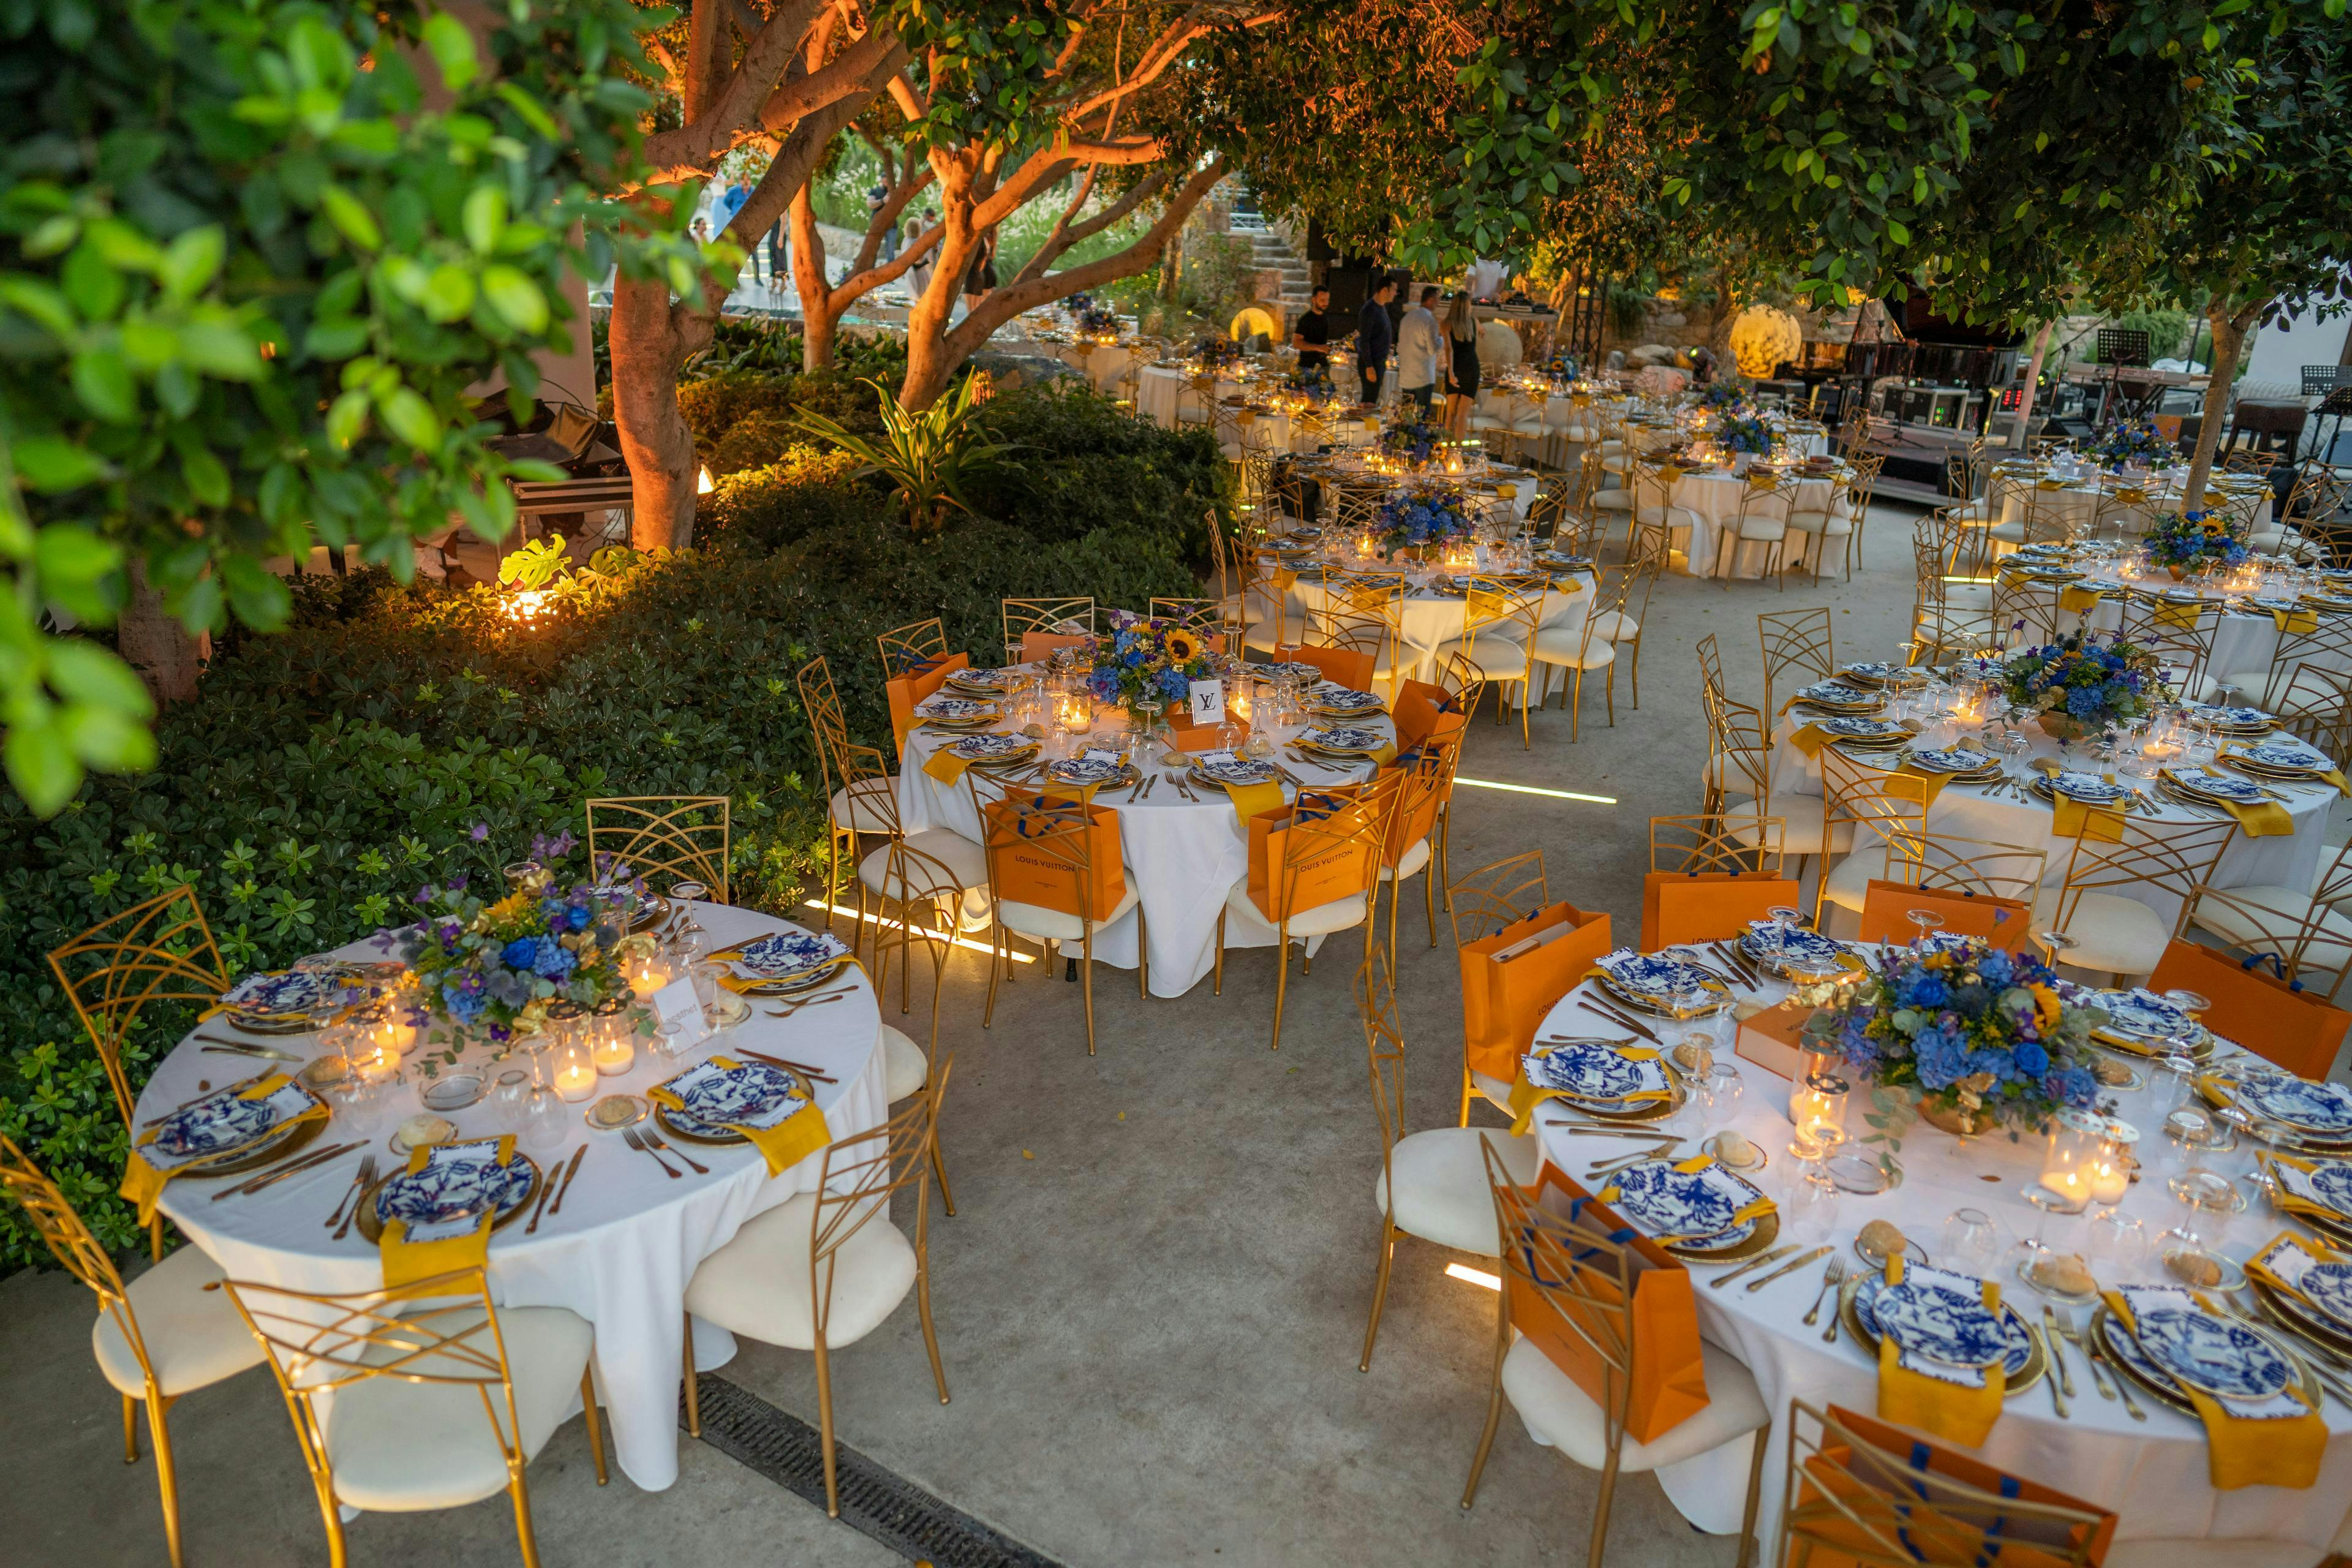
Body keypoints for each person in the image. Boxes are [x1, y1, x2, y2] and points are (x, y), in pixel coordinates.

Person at [1396, 285, 1443, 417]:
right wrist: (1442, 339)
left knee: (1406, 415)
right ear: (1430, 300)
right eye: (1437, 299)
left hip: (1406, 374)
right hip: (1423, 376)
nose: (1438, 303)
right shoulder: (1429, 320)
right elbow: (1433, 349)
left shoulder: (1407, 318)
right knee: (1422, 416)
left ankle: (1402, 437)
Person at [1442, 289, 1480, 435]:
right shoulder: (1473, 322)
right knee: (1463, 415)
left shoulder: (1447, 324)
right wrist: (1482, 332)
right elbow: (1483, 330)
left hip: (1456, 367)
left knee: (1450, 414)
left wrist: (1451, 372)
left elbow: (1448, 349)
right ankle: (1457, 452)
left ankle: (1445, 449)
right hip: (1471, 367)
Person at [1355, 276, 1396, 408]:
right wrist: (1370, 366)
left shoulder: (1381, 308)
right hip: (1372, 363)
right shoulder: (1370, 310)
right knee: (1368, 401)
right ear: (1385, 290)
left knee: (1371, 399)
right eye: (1394, 290)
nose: (1395, 293)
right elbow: (1364, 340)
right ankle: (1365, 427)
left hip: (1379, 361)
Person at [1291, 284, 1333, 379]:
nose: (1326, 303)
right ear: (1314, 300)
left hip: (1323, 365)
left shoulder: (1325, 316)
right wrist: (1318, 348)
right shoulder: (1306, 319)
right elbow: (1296, 343)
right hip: (1307, 367)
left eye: (1328, 300)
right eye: (1322, 300)